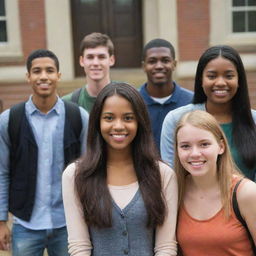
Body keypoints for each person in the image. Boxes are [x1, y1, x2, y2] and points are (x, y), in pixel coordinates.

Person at [62, 82, 178, 256]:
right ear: (97, 122)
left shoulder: (162, 174)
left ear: (140, 122)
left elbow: (165, 247)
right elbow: (79, 247)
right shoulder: (75, 175)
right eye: (109, 118)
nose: (118, 126)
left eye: (128, 118)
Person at [0, 49, 89, 255]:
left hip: (67, 224)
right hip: (25, 224)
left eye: (49, 70)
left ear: (58, 75)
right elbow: (2, 172)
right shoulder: (9, 120)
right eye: (36, 71)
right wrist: (2, 220)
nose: (43, 76)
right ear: (28, 76)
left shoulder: (78, 117)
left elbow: (87, 172)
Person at [161, 45, 256, 181]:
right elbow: (170, 176)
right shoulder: (176, 119)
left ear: (239, 80)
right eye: (212, 76)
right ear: (201, 80)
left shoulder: (254, 120)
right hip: (191, 201)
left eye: (229, 76)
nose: (221, 82)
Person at [175, 110, 256, 255]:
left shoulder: (246, 193)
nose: (194, 153)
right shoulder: (174, 191)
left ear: (221, 147)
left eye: (204, 144)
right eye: (185, 146)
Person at [139, 38, 193, 151]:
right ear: (144, 66)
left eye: (165, 60)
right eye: (152, 61)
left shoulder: (192, 102)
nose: (159, 66)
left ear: (174, 64)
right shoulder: (133, 101)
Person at [62, 32, 115, 112]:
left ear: (111, 60)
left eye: (101, 57)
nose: (95, 63)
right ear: (81, 61)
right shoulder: (67, 104)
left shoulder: (127, 98)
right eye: (90, 57)